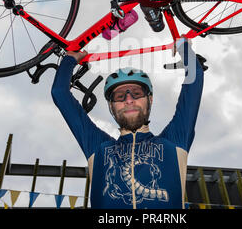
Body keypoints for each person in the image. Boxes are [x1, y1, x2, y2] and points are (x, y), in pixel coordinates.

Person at [51, 36, 204, 209]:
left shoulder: (175, 140)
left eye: (137, 93)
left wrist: (184, 48)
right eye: (119, 96)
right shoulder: (98, 148)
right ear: (111, 106)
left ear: (150, 99)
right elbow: (59, 93)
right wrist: (70, 59)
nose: (129, 100)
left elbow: (195, 78)